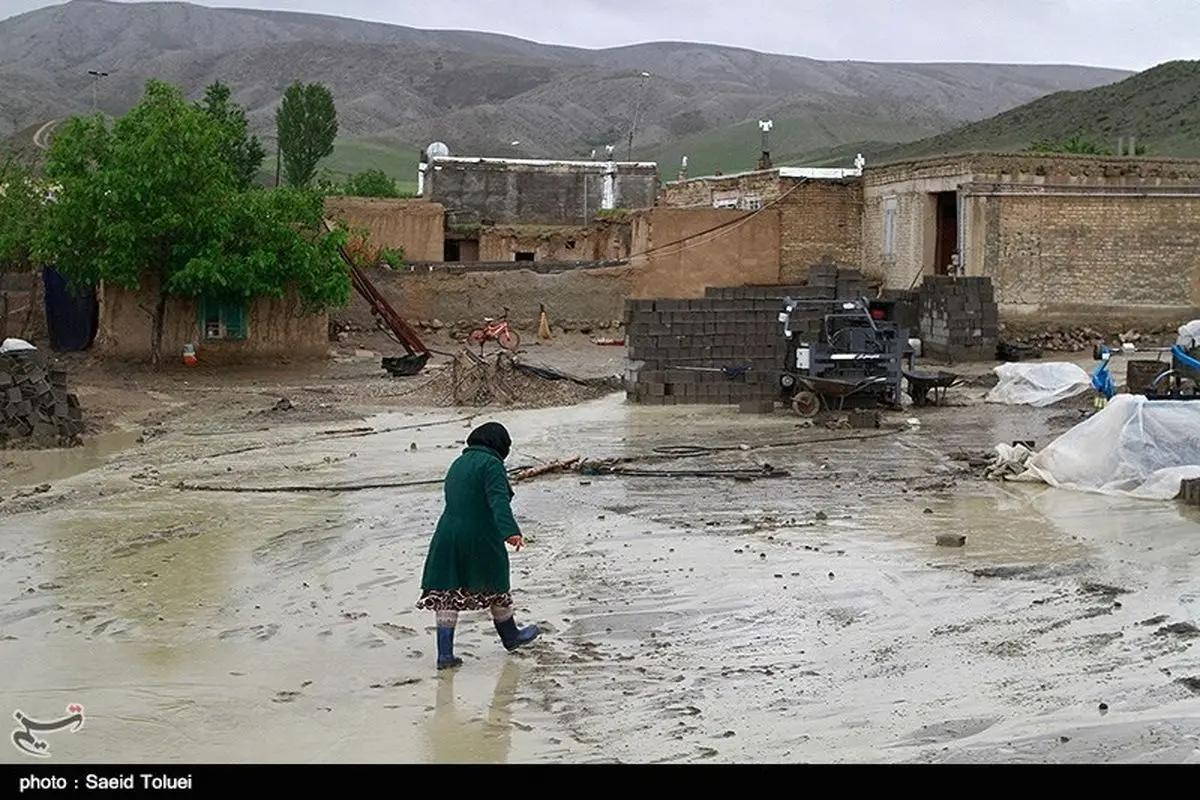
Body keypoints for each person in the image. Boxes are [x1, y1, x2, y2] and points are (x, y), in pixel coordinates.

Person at [417, 422, 540, 670]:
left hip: (447, 533)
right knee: (496, 583)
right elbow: (498, 500)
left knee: (447, 590)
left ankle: (445, 655)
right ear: (499, 445)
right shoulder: (491, 464)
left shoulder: (458, 463)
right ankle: (511, 636)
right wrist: (510, 531)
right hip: (479, 534)